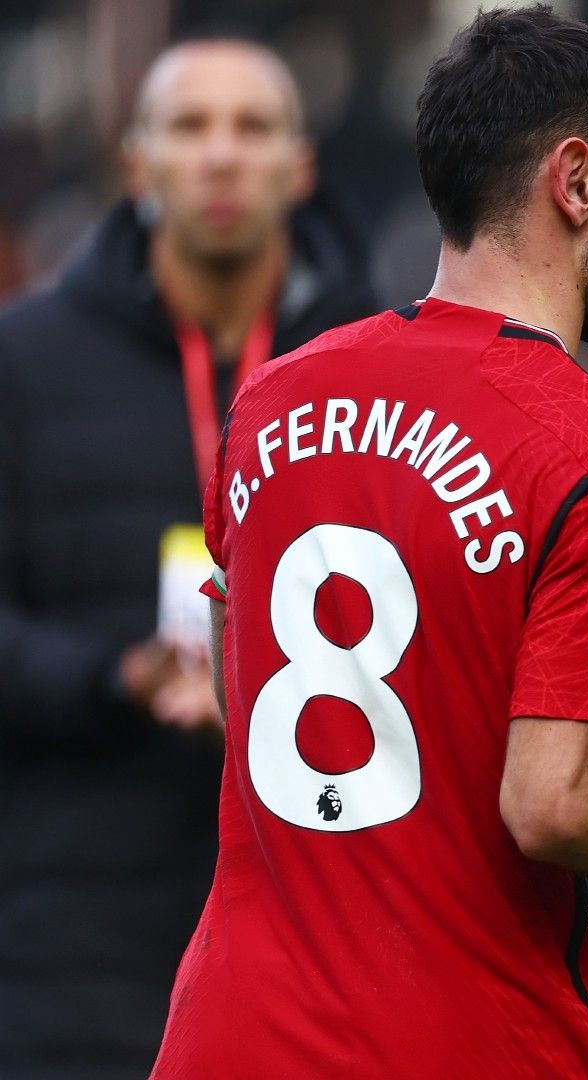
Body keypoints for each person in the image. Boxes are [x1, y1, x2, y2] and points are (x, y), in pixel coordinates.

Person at [151, 8, 588, 1076]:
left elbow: (239, 678)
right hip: (455, 1036)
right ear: (576, 184)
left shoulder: (270, 399)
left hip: (227, 1031)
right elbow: (555, 804)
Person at [0, 39, 376, 1075]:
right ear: (137, 165)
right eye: (189, 126)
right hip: (74, 935)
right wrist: (113, 676)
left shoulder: (381, 366)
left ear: (300, 167)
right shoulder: (23, 361)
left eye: (252, 129)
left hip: (322, 911)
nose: (221, 155)